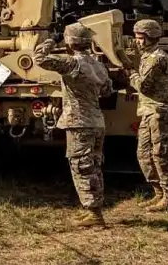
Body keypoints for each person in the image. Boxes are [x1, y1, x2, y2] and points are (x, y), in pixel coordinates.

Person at [33, 22, 113, 228]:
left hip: (79, 122)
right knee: (94, 165)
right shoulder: (99, 65)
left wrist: (52, 39)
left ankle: (95, 214)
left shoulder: (71, 63)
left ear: (70, 42)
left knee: (82, 166)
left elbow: (39, 59)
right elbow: (107, 91)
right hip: (96, 121)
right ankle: (93, 209)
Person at [127, 18, 168, 213]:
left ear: (150, 38)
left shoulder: (157, 58)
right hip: (148, 112)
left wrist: (129, 72)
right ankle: (158, 193)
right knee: (144, 155)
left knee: (162, 156)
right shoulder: (146, 56)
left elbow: (143, 86)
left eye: (140, 37)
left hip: (161, 113)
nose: (137, 41)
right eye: (136, 37)